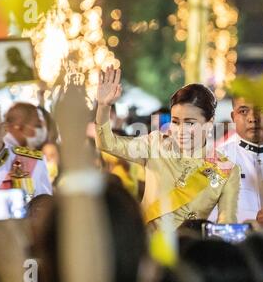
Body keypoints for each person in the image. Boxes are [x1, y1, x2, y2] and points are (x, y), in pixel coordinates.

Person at [95, 67, 240, 231]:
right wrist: (103, 106)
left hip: (188, 251)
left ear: (209, 123)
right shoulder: (155, 145)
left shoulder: (225, 169)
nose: (181, 130)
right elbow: (106, 143)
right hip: (149, 249)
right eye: (176, 121)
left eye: (190, 123)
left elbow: (226, 226)